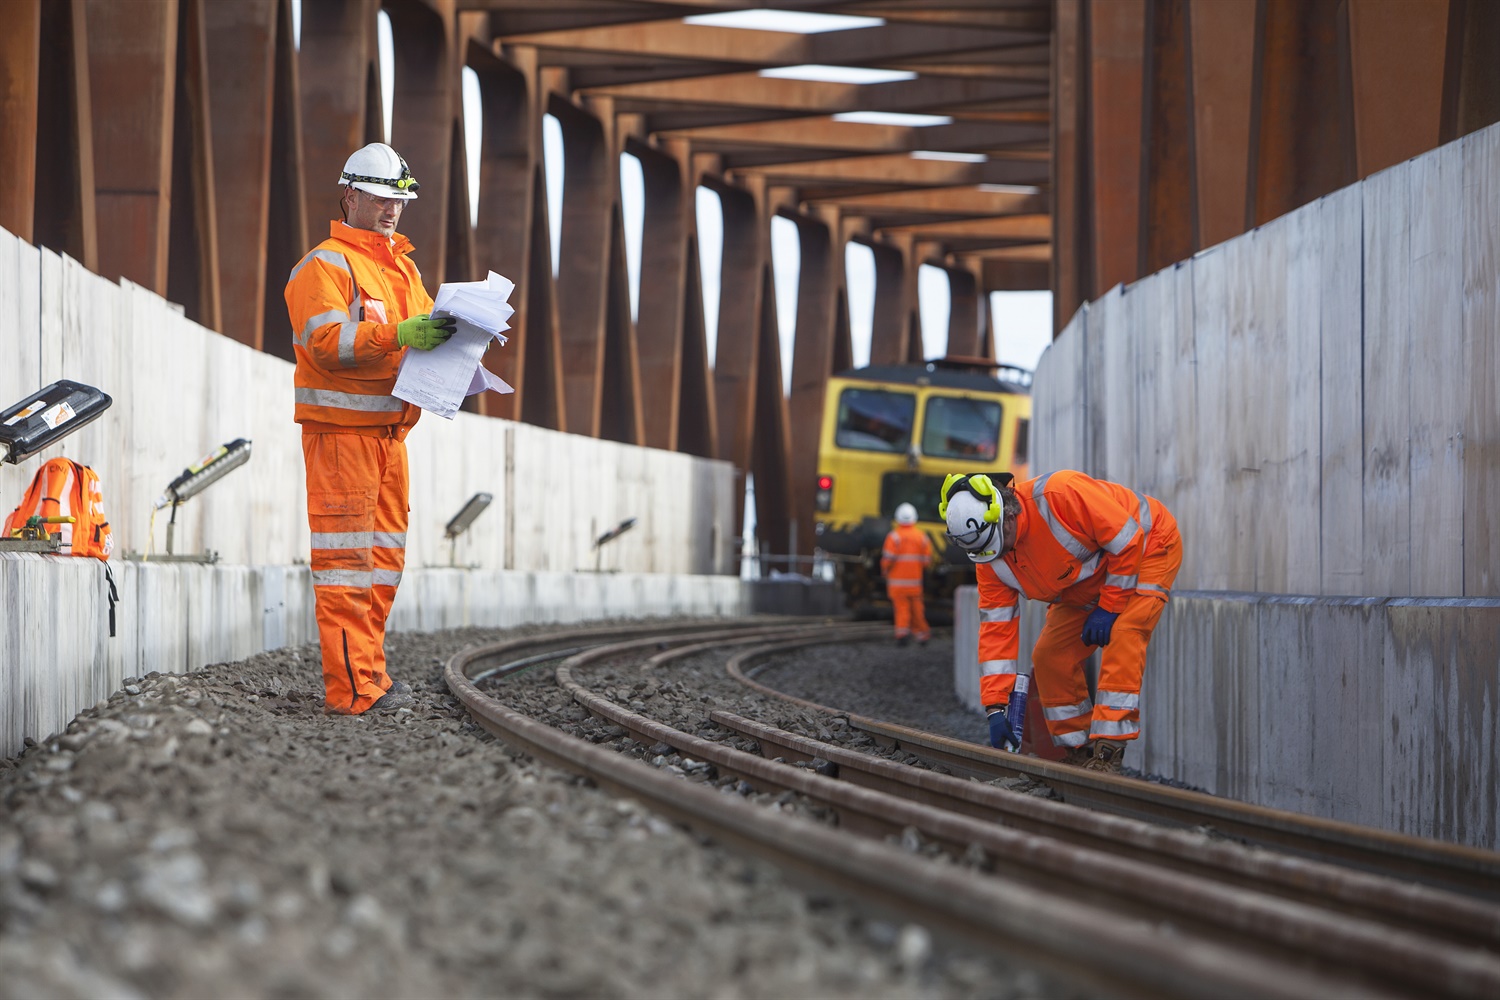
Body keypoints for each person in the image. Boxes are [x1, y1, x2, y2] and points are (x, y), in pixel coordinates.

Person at [284, 142, 456, 715]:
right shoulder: (324, 265)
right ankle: (352, 692)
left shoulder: (403, 269)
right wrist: (401, 335)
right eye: (381, 198)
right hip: (341, 439)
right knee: (346, 572)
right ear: (350, 196)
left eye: (399, 201)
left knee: (382, 567)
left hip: (388, 439)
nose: (391, 210)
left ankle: (371, 676)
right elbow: (326, 343)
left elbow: (422, 331)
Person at [940, 470, 1182, 773]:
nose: (994, 555)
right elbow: (996, 630)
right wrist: (995, 707)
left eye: (996, 544)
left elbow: (1127, 540)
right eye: (982, 551)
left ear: (1008, 516)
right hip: (1091, 579)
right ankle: (1079, 751)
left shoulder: (1060, 495)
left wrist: (1110, 606)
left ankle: (1108, 753)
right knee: (1050, 657)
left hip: (1149, 546)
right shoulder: (989, 557)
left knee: (1123, 633)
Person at [881, 502, 933, 646]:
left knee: (902, 609)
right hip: (915, 583)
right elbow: (927, 561)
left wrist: (884, 571)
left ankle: (902, 634)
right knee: (917, 609)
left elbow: (887, 559)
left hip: (897, 584)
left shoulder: (894, 537)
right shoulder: (921, 537)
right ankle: (923, 635)